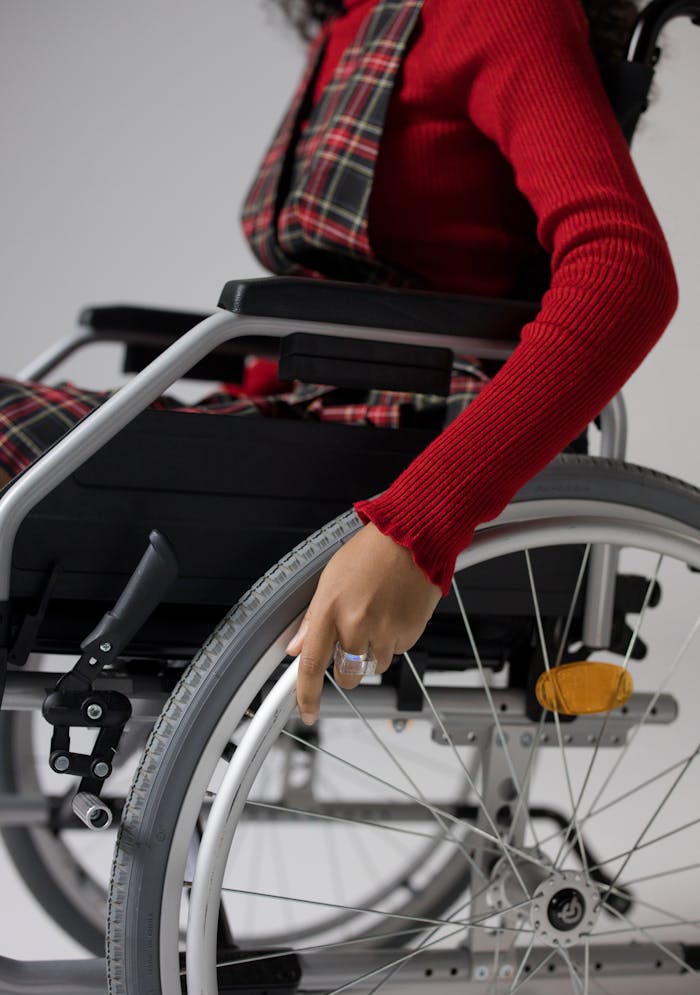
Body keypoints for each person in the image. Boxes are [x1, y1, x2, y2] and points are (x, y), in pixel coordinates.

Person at [250, 0, 678, 722]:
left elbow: (624, 268)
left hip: (410, 430)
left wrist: (418, 529)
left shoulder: (498, 10)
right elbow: (335, 284)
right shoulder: (351, 25)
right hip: (318, 409)